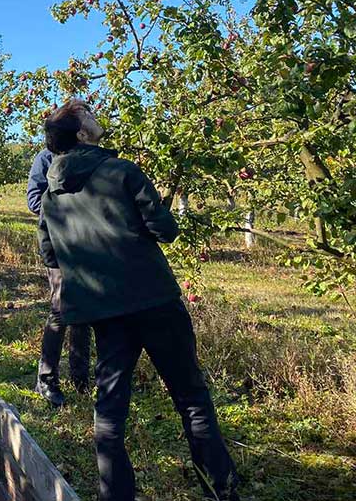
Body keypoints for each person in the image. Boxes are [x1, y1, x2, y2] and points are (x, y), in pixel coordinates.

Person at [38, 100, 239, 501]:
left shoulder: (50, 198)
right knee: (191, 398)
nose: (97, 118)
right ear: (81, 133)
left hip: (104, 311)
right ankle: (222, 490)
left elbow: (51, 257)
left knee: (109, 409)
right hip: (154, 300)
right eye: (89, 116)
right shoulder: (121, 171)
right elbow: (165, 230)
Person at [27, 140, 92, 408]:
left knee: (85, 312)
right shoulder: (46, 158)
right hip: (59, 244)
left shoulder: (90, 158)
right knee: (61, 309)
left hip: (89, 244)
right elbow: (33, 200)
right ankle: (46, 379)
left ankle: (80, 379)